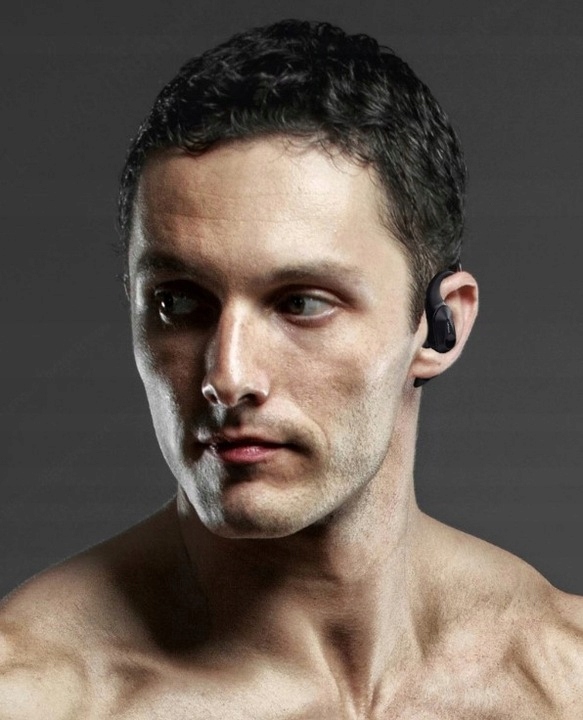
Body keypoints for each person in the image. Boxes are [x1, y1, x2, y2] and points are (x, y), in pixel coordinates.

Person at [1, 18, 581, 718]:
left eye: (301, 303)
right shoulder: (35, 696)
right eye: (179, 302)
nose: (227, 376)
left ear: (438, 326)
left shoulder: (562, 680)